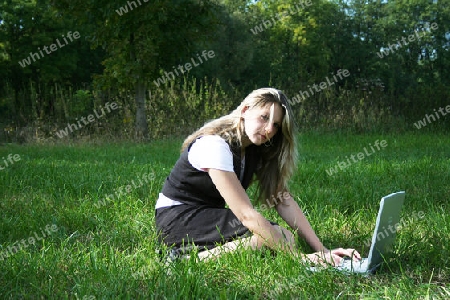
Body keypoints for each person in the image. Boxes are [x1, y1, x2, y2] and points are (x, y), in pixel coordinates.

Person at [155, 87, 361, 266]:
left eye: (276, 125)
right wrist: (300, 259)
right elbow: (246, 214)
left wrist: (322, 251)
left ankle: (193, 254)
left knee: (278, 238)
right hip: (177, 219)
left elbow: (282, 200)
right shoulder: (214, 145)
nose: (269, 129)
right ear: (245, 111)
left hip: (206, 215)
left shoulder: (253, 150)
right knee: (277, 237)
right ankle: (181, 259)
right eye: (264, 117)